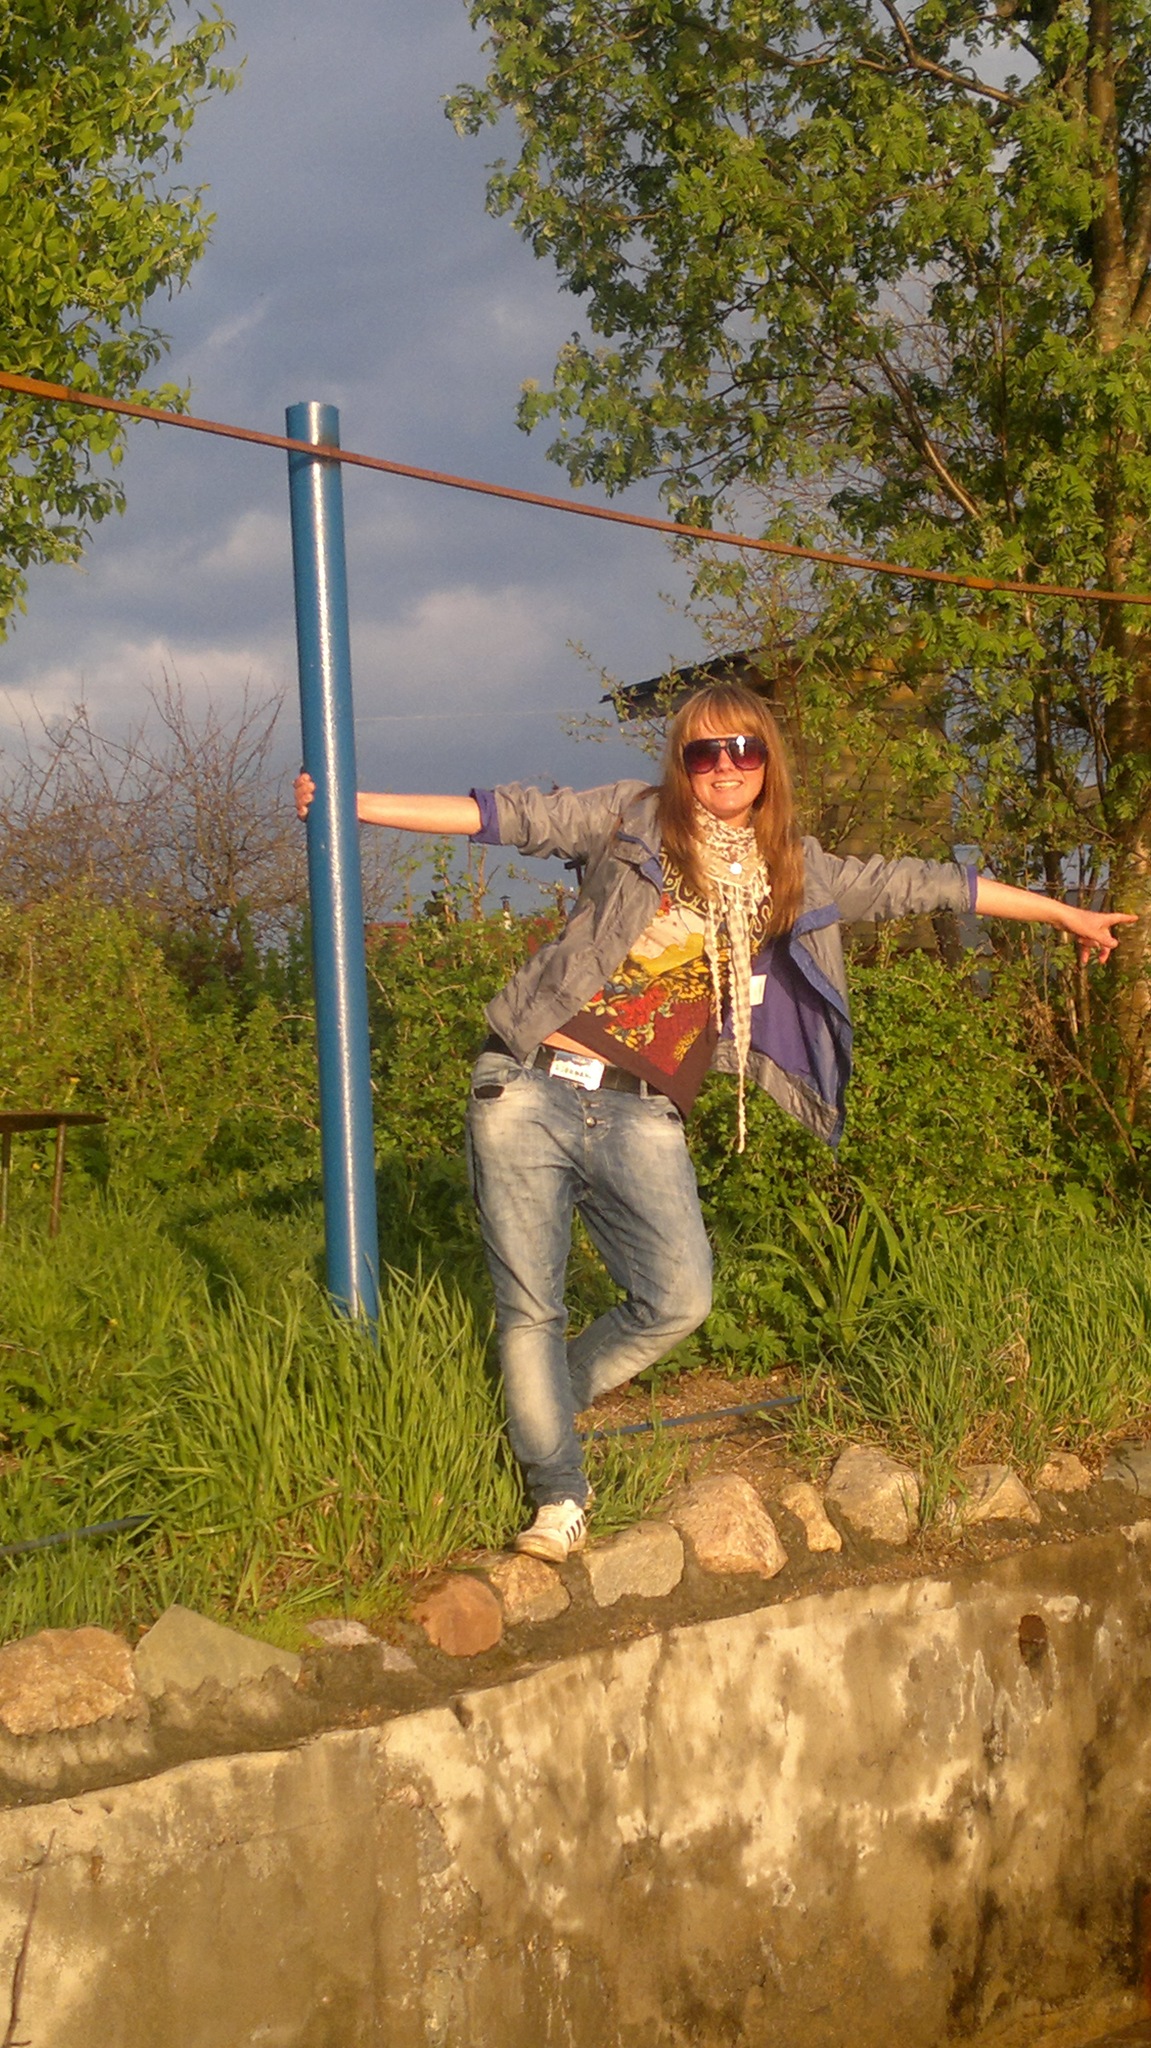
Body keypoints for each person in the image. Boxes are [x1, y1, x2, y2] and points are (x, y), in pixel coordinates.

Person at [295, 682, 1134, 1563]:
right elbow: (502, 815)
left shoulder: (798, 871)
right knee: (530, 1308)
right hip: (528, 1085)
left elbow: (929, 884)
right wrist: (351, 803)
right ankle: (557, 1492)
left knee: (680, 1298)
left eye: (742, 749)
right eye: (704, 751)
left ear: (766, 762)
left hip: (643, 1108)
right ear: (682, 763)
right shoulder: (628, 820)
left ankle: (539, 1409)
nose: (724, 766)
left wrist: (1062, 912)